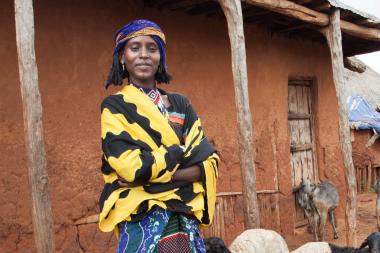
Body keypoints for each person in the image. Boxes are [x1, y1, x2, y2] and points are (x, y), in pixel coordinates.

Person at [98, 19, 219, 253]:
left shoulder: (180, 104)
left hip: (183, 215)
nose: (144, 55)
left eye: (152, 49)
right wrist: (181, 155)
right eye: (135, 48)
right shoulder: (115, 106)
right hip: (140, 216)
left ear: (160, 57)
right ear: (122, 57)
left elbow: (209, 161)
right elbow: (130, 168)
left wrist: (150, 177)